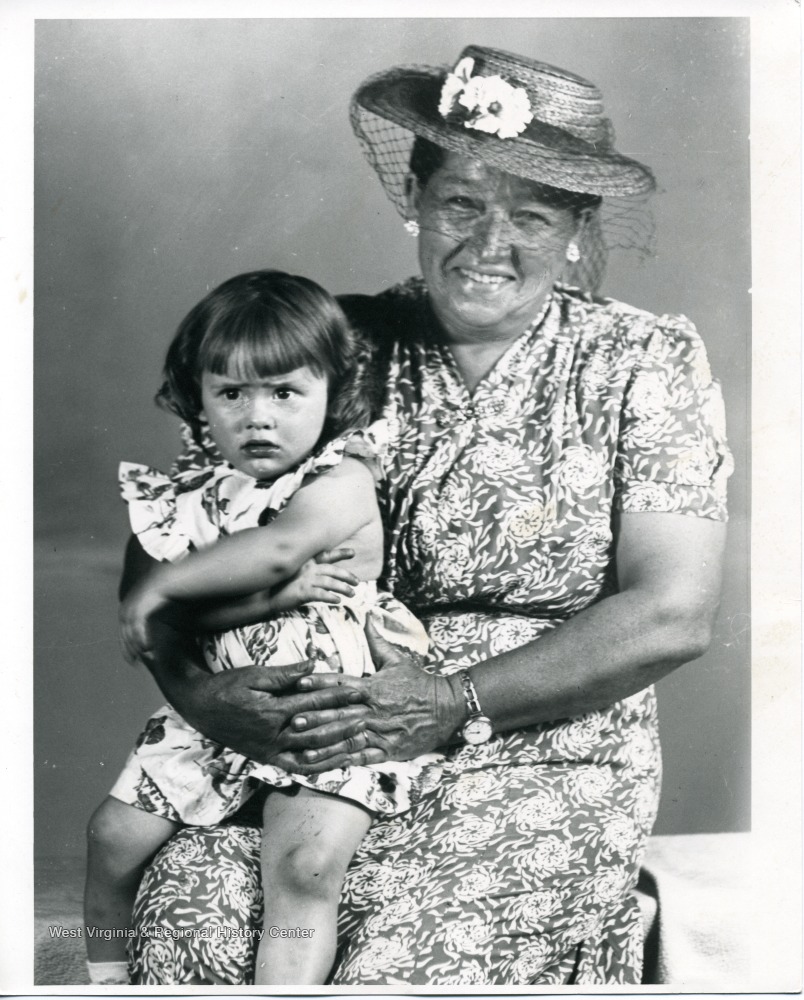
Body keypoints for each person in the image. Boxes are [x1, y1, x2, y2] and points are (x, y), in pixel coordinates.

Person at [118, 46, 732, 985]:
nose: (490, 243)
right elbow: (169, 543)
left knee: (399, 966)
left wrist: (452, 701)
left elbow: (673, 611)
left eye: (532, 216)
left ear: (578, 227)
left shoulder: (641, 360)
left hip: (540, 753)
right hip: (307, 755)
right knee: (190, 920)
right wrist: (203, 698)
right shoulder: (336, 343)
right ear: (414, 197)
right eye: (461, 203)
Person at [84, 270, 444, 986]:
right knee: (111, 837)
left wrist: (162, 584)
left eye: (284, 393)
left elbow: (279, 547)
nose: (258, 417)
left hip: (329, 712)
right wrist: (253, 598)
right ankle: (104, 978)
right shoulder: (194, 499)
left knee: (303, 870)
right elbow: (195, 621)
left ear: (333, 392)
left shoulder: (339, 477)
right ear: (197, 399)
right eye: (232, 394)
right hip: (219, 714)